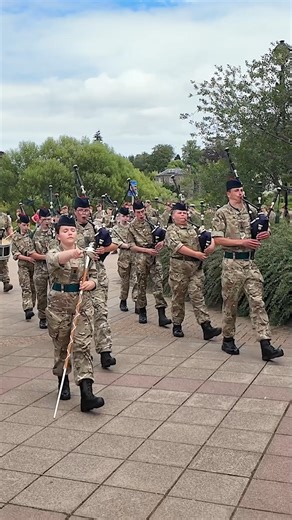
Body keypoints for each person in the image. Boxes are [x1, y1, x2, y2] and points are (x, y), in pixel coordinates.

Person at [212, 178, 284, 361]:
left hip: (250, 264)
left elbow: (259, 230)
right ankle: (228, 339)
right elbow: (218, 239)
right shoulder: (221, 213)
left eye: (242, 190)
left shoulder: (251, 211)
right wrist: (241, 242)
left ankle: (265, 344)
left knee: (258, 302)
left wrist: (266, 234)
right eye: (237, 190)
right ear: (228, 193)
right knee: (231, 303)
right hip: (232, 264)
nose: (241, 193)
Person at [45, 214, 104, 412]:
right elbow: (56, 260)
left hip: (81, 304)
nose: (70, 233)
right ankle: (63, 379)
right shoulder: (54, 251)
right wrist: (74, 253)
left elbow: (96, 277)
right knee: (62, 346)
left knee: (82, 345)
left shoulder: (86, 255)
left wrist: (91, 283)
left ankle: (87, 392)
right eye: (65, 231)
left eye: (72, 230)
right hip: (59, 307)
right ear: (58, 235)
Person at [165, 202, 222, 339]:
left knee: (197, 296)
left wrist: (210, 246)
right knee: (178, 297)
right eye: (180, 213)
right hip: (179, 269)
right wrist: (196, 254)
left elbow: (210, 239)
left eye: (185, 213)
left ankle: (206, 326)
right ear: (173, 216)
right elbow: (177, 247)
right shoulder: (171, 230)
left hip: (195, 269)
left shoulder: (194, 229)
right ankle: (177, 325)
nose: (183, 215)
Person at [74, 197, 116, 369]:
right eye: (81, 211)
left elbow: (114, 244)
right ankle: (82, 350)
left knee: (101, 313)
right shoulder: (69, 229)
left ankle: (105, 352)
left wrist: (104, 249)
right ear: (75, 211)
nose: (84, 214)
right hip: (77, 277)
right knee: (80, 316)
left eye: (86, 210)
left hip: (97, 276)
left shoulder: (97, 228)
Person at [127, 200, 171, 326]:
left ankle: (162, 315)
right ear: (134, 212)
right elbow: (131, 246)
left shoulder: (153, 221)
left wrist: (162, 243)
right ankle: (142, 312)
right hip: (141, 257)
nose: (141, 214)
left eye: (142, 211)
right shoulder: (132, 226)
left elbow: (165, 234)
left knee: (158, 284)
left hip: (154, 257)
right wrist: (146, 250)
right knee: (141, 285)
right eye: (138, 212)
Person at [31, 208, 54, 329]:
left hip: (54, 269)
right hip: (40, 270)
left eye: (49, 219)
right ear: (39, 220)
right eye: (44, 219)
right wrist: (48, 257)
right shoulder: (34, 234)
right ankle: (42, 317)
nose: (47, 222)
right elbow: (32, 253)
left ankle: (54, 317)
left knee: (54, 294)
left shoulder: (55, 233)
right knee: (41, 295)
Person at [111, 207, 138, 312]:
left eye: (127, 216)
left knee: (136, 280)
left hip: (134, 257)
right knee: (124, 281)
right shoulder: (115, 229)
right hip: (124, 258)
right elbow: (115, 241)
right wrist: (126, 245)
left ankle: (137, 302)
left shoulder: (132, 228)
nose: (125, 218)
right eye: (123, 216)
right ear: (119, 216)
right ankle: (123, 300)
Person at [11, 214, 36, 320]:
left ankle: (32, 305)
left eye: (27, 225)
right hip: (23, 265)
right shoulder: (15, 237)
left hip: (34, 265)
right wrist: (27, 258)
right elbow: (15, 254)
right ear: (19, 224)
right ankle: (28, 309)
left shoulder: (32, 235)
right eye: (24, 225)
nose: (26, 227)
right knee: (26, 287)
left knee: (33, 287)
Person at [0, 211, 13, 292]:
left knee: (3, 263)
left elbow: (8, 227)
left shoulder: (4, 216)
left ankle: (6, 283)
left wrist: (11, 234)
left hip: (2, 243)